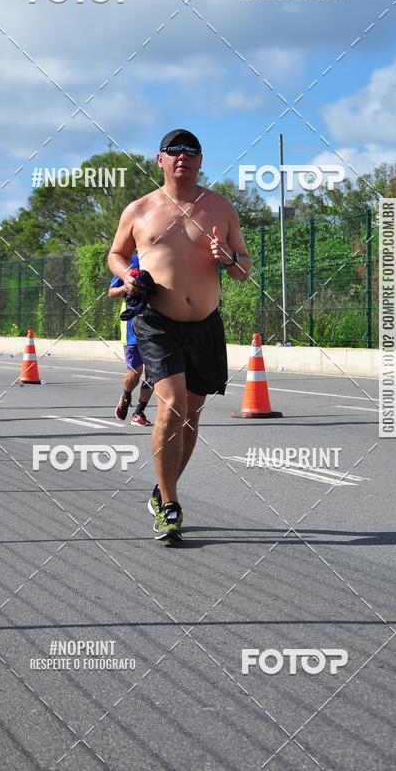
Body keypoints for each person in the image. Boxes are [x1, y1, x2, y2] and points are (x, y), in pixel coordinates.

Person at [108, 129, 251, 540]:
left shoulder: (220, 207)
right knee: (171, 405)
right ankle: (170, 505)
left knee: (190, 415)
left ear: (201, 160)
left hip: (205, 325)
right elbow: (115, 254)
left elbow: (243, 269)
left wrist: (229, 257)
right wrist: (127, 276)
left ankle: (162, 489)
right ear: (160, 160)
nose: (182, 157)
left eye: (191, 151)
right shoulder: (139, 210)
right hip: (157, 322)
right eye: (174, 151)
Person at [108, 253, 154, 427]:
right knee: (135, 373)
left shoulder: (163, 259)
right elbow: (111, 292)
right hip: (132, 326)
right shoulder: (130, 262)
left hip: (156, 325)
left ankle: (139, 412)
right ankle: (126, 395)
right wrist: (125, 287)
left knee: (153, 373)